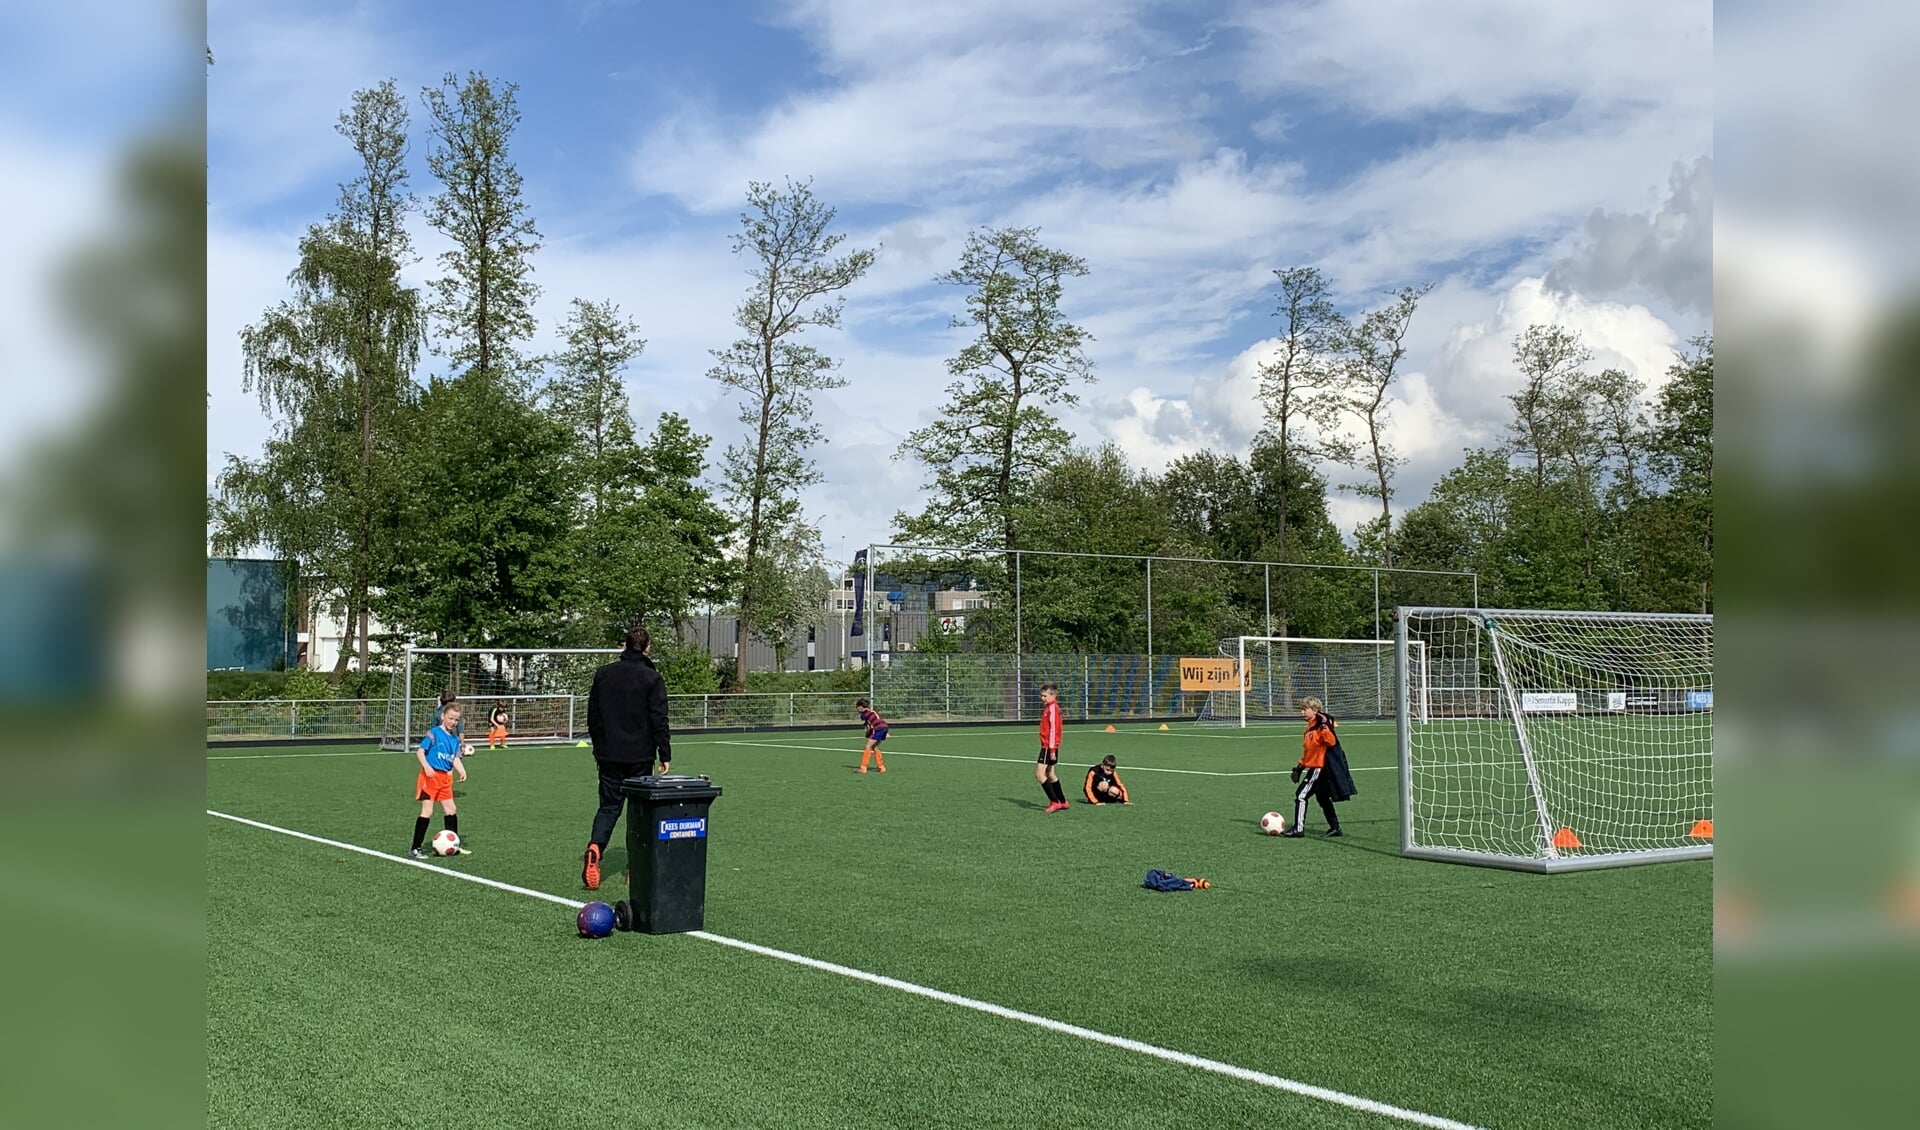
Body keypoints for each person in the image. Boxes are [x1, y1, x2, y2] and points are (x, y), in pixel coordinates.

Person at [581, 626, 672, 890]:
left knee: (608, 807)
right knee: (638, 811)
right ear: (647, 648)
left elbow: (592, 717)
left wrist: (600, 746)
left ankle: (596, 846)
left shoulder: (604, 674)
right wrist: (664, 753)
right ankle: (635, 866)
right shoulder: (651, 677)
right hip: (640, 756)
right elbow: (659, 718)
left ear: (624, 645)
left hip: (609, 754)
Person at [1284, 696, 1356, 838]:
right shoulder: (1310, 727)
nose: (1302, 713)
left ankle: (1298, 829)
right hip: (1316, 767)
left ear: (1315, 710)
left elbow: (1331, 741)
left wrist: (1324, 728)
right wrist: (1299, 767)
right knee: (1322, 798)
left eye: (1305, 709)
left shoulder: (1321, 725)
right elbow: (1309, 752)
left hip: (1319, 768)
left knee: (1301, 795)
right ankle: (1335, 827)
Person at [410, 702, 470, 858]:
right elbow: (420, 752)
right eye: (450, 718)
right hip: (429, 777)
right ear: (443, 716)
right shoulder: (434, 733)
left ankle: (454, 844)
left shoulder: (455, 740)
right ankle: (415, 848)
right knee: (427, 810)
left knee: (451, 810)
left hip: (444, 779)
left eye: (456, 720)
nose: (453, 722)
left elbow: (455, 758)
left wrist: (462, 770)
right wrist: (426, 766)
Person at [1037, 682, 1068, 812]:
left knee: (1039, 774)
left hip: (1048, 747)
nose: (1042, 698)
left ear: (1053, 695)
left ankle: (1054, 801)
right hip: (1050, 746)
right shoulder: (1050, 708)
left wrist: (1052, 750)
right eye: (1042, 696)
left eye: (1044, 696)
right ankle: (1062, 801)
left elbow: (1054, 730)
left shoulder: (1052, 709)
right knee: (1050, 773)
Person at [855, 698, 888, 773]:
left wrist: (867, 734)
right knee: (874, 747)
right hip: (885, 728)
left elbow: (869, 727)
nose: (857, 709)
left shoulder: (863, 715)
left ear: (860, 707)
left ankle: (863, 768)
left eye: (857, 707)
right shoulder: (872, 711)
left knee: (867, 746)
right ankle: (881, 767)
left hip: (879, 729)